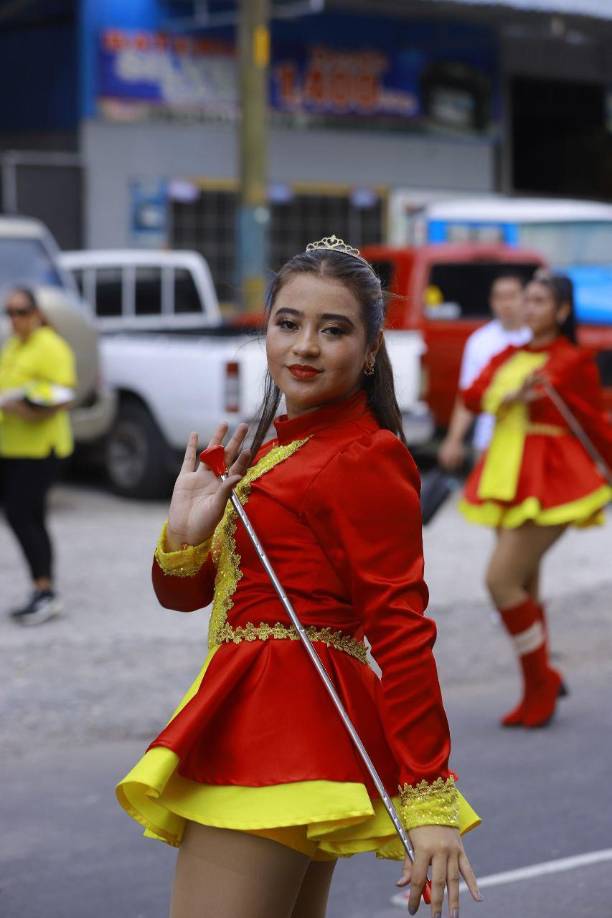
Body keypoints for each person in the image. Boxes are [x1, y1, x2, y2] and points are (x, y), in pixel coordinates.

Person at [116, 236, 481, 918]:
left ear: (370, 351)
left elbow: (400, 629)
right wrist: (187, 535)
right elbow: (189, 597)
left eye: (333, 329)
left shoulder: (366, 455)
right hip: (266, 714)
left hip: (278, 726)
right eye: (289, 323)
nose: (305, 346)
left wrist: (428, 795)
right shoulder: (263, 446)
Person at [458, 270, 612, 729]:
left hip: (553, 481)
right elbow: (471, 396)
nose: (529, 307)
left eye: (541, 301)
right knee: (525, 587)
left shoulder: (571, 361)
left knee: (500, 581)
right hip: (506, 477)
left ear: (562, 311)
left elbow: (594, 422)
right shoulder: (510, 354)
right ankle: (535, 687)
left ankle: (541, 680)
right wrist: (511, 394)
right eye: (528, 299)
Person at [0, 287, 76, 625]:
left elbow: (63, 392)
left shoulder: (50, 345)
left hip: (40, 447)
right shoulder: (14, 345)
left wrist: (30, 404)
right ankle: (42, 589)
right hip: (11, 446)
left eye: (22, 311)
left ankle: (45, 592)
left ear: (37, 312)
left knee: (20, 514)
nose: (15, 319)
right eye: (10, 312)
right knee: (30, 516)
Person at [438, 272, 531, 471]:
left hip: (529, 440)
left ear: (525, 298)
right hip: (489, 441)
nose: (506, 304)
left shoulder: (535, 337)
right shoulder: (480, 341)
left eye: (512, 296)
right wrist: (454, 440)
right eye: (500, 297)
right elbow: (468, 394)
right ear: (492, 301)